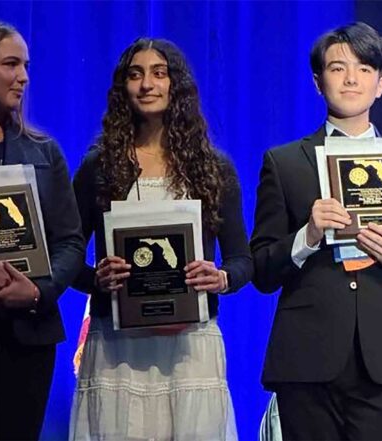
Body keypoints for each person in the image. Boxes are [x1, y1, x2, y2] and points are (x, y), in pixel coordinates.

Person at [250, 22, 382, 441]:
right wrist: (307, 236)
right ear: (318, 83)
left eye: (364, 68)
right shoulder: (285, 163)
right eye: (338, 68)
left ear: (381, 84)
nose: (351, 78)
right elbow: (261, 270)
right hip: (305, 361)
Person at [69, 37, 252, 441]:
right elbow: (66, 258)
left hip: (190, 349)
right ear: (123, 87)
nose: (147, 84)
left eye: (158, 73)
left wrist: (220, 278)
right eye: (135, 75)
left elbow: (243, 260)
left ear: (177, 85)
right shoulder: (98, 166)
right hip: (118, 348)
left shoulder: (213, 168)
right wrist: (96, 278)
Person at [0, 22, 85, 441]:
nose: (24, 77)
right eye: (11, 64)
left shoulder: (44, 153)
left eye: (26, 65)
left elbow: (70, 241)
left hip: (27, 338)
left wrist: (37, 291)